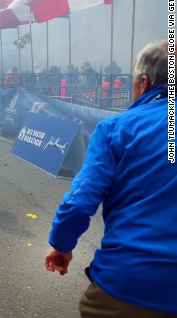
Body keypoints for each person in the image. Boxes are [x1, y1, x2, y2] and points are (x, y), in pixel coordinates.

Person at [44, 40, 176, 317]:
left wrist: (61, 245)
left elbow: (80, 201)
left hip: (130, 284)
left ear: (144, 82)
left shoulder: (117, 129)